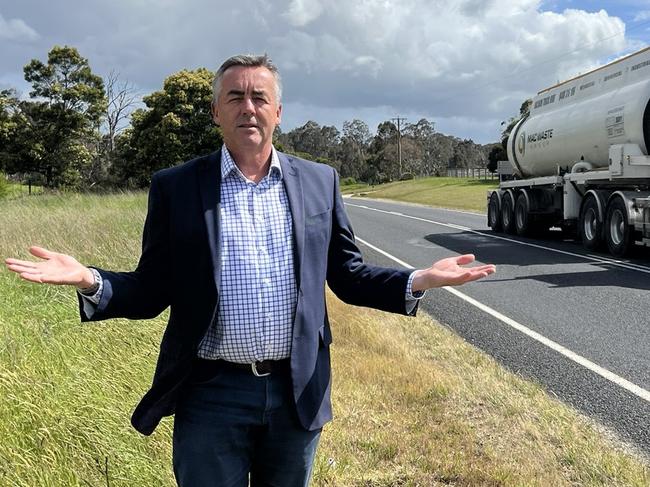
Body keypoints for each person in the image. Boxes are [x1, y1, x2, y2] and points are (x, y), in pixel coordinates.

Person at [5, 54, 496, 487]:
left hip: (295, 390)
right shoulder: (176, 187)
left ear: (277, 112)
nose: (248, 107)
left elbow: (346, 275)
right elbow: (152, 289)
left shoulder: (319, 182)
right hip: (210, 393)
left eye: (259, 97)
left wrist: (418, 280)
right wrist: (92, 279)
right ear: (217, 111)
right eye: (234, 97)